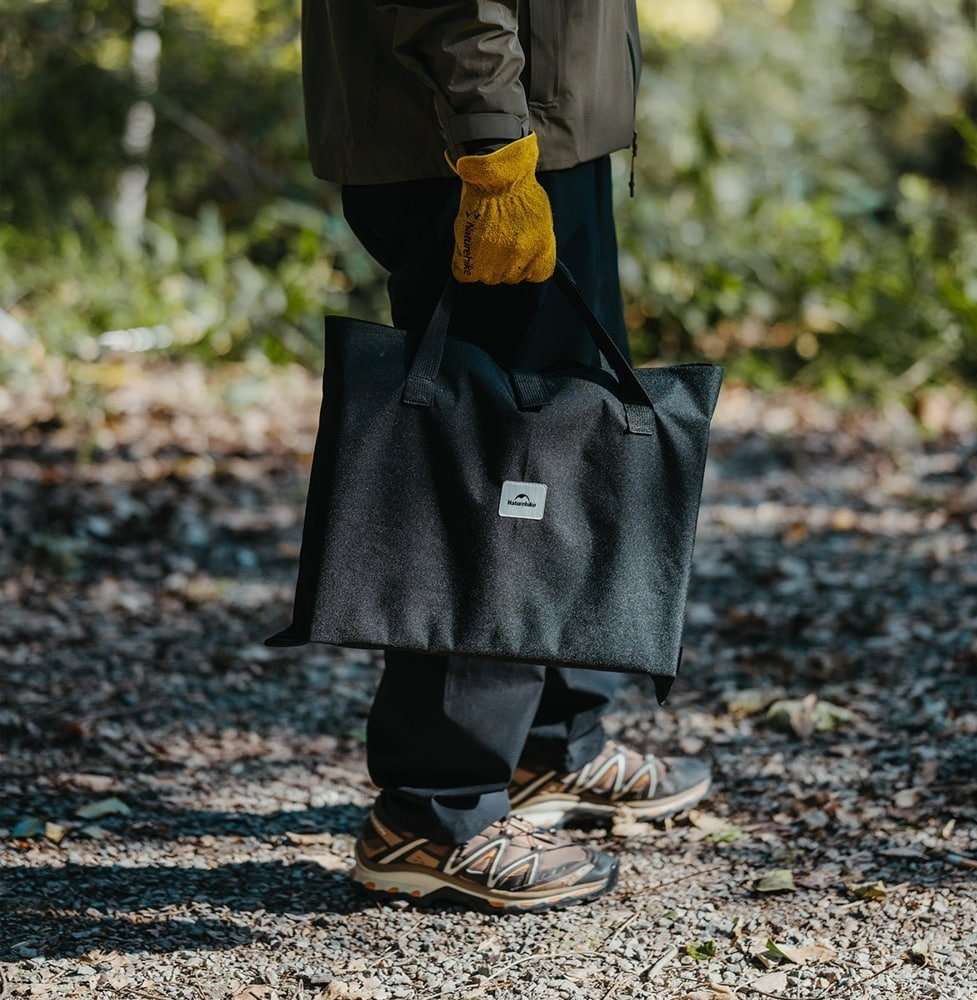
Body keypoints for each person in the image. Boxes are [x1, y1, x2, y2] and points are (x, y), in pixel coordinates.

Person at [299, 0, 711, 912]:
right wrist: (491, 137)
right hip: (477, 132)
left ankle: (548, 741)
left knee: (561, 444)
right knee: (492, 472)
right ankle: (436, 811)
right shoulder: (488, 135)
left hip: (542, 125)